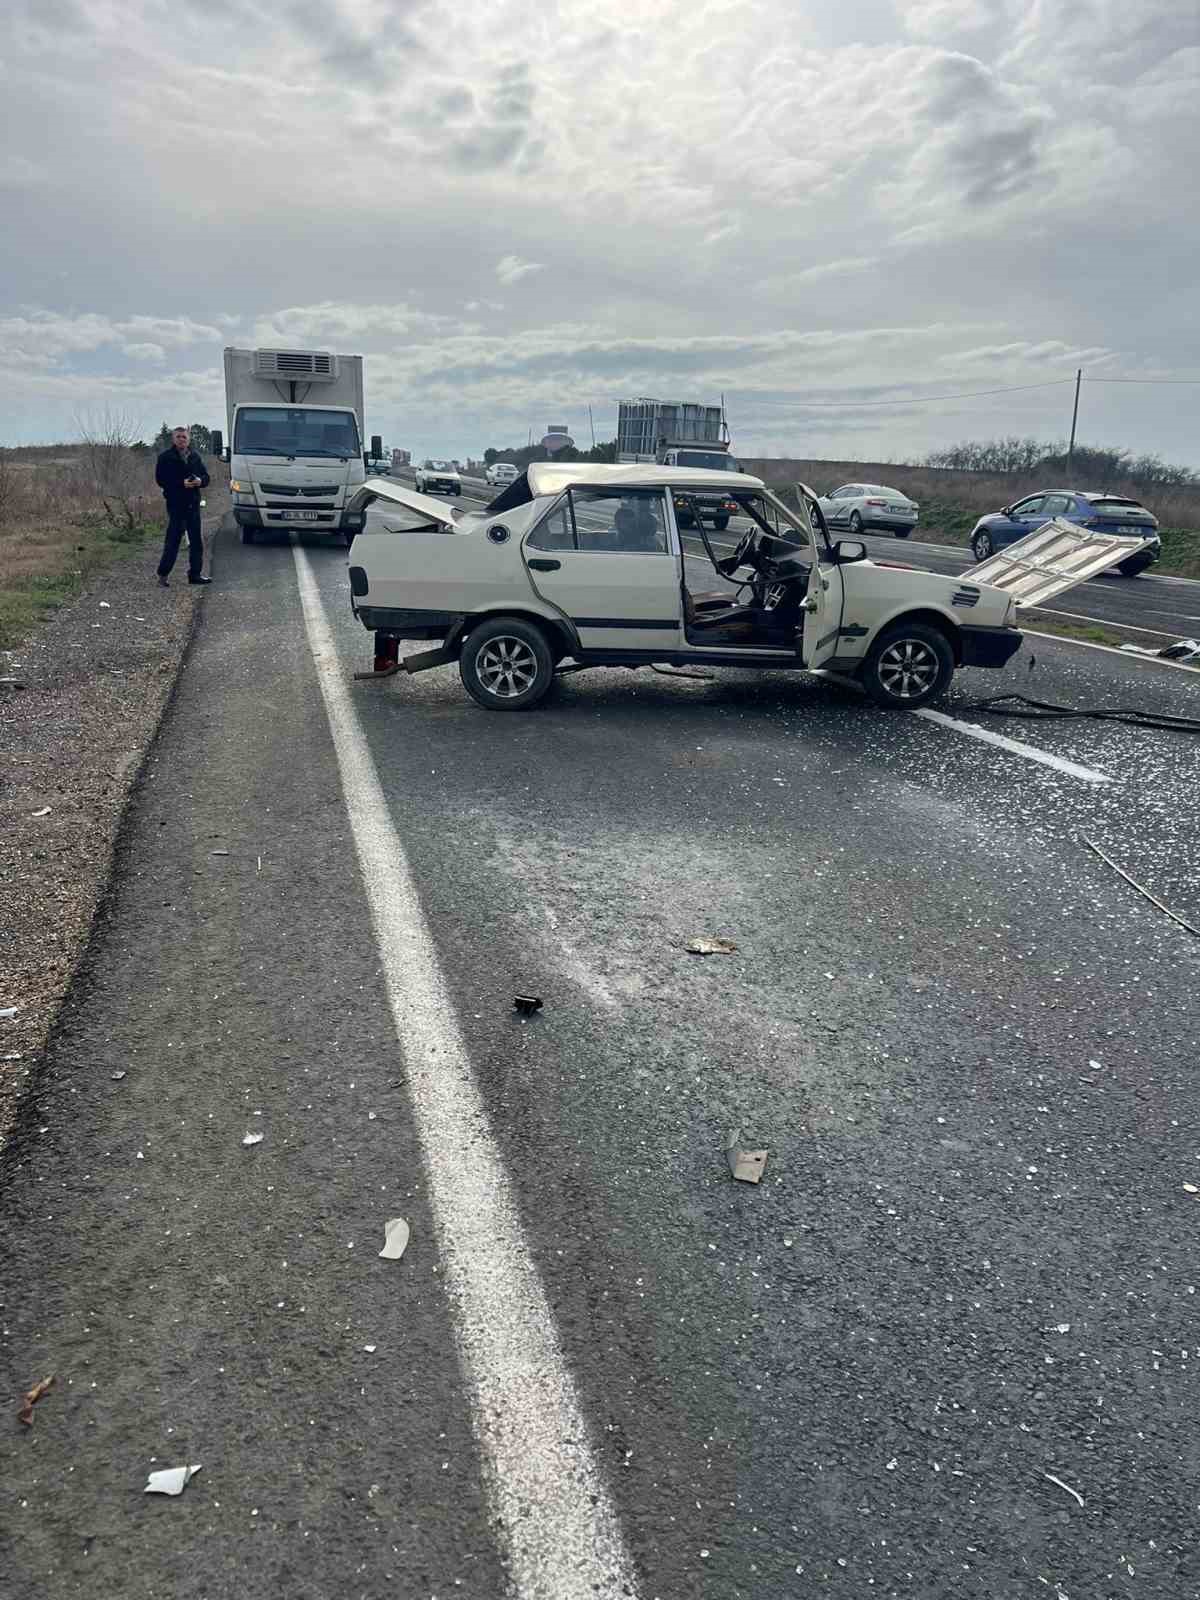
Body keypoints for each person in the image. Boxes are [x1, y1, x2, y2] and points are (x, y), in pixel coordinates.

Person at [155, 427, 211, 586]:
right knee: (173, 541)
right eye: (178, 437)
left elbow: (206, 477)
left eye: (184, 437)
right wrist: (181, 483)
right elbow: (160, 480)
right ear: (173, 439)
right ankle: (163, 576)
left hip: (193, 504)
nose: (181, 440)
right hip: (176, 504)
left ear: (189, 439)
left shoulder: (195, 457)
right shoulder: (165, 457)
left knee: (196, 542)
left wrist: (200, 481)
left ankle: (195, 575)